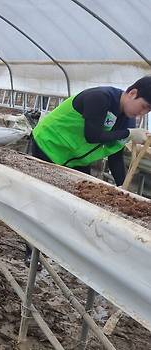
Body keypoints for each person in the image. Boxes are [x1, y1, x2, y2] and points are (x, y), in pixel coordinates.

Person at [27, 76, 151, 265]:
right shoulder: (100, 97)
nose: (141, 114)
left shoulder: (127, 122)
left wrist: (122, 186)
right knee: (41, 197)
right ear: (132, 93)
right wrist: (128, 135)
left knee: (82, 197)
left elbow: (115, 156)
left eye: (147, 111)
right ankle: (32, 251)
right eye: (143, 107)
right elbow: (92, 135)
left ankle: (64, 243)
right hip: (49, 145)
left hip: (76, 159)